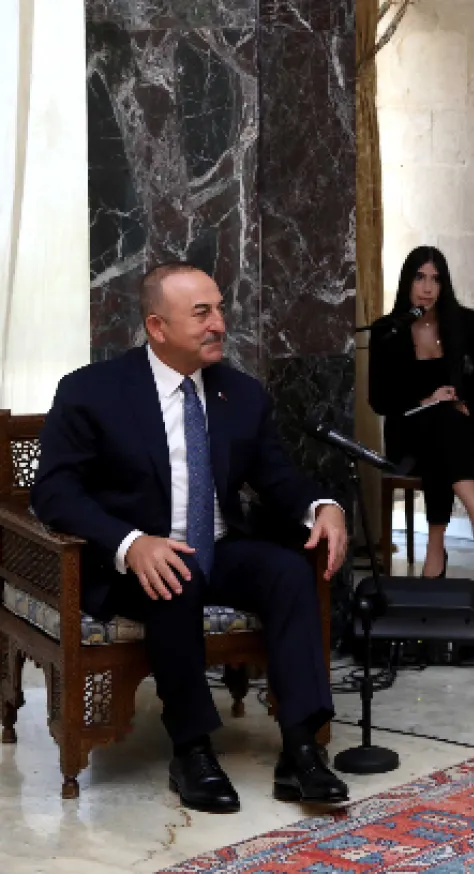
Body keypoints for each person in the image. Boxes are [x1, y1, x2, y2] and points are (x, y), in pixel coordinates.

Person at [31, 263, 352, 813]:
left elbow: (277, 476)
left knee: (288, 572)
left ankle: (301, 749)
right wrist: (131, 542)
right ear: (157, 327)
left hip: (219, 548)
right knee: (173, 578)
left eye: (220, 309)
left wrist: (323, 506)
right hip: (134, 560)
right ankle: (192, 749)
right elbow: (55, 493)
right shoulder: (92, 391)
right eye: (202, 313)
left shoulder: (241, 394)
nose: (220, 324)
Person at [368, 245, 474, 577]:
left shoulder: (467, 323)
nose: (428, 288)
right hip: (410, 429)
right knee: (440, 424)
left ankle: (435, 547)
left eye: (435, 279)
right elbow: (380, 399)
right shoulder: (387, 330)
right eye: (420, 278)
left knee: (446, 424)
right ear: (407, 282)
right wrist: (426, 400)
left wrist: (460, 398)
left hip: (466, 425)